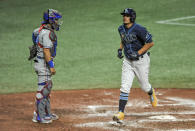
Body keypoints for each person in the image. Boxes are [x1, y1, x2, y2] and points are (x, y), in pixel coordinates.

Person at [113, 8, 157, 124]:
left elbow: (150, 43)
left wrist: (138, 53)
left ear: (132, 17)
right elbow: (123, 39)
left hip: (141, 61)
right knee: (125, 86)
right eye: (123, 15)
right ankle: (120, 113)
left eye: (126, 15)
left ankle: (151, 91)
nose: (124, 17)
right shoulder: (121, 28)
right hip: (127, 61)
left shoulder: (139, 29)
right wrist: (120, 49)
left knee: (144, 86)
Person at [31, 9, 62, 124]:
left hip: (40, 63)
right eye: (56, 20)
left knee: (47, 89)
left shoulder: (40, 30)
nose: (58, 22)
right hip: (43, 64)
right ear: (51, 20)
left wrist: (36, 45)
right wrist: (52, 66)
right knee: (42, 90)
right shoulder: (47, 33)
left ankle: (47, 113)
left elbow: (34, 34)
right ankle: (38, 116)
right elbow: (46, 51)